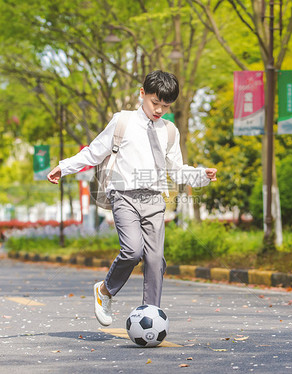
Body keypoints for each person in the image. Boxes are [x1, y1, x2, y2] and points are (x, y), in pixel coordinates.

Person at [47, 70, 217, 326]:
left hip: (154, 200)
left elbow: (175, 169)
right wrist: (64, 167)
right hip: (123, 195)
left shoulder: (169, 131)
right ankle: (105, 290)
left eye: (166, 105)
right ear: (142, 94)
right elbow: (93, 153)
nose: (159, 110)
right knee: (132, 251)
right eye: (155, 103)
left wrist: (201, 175)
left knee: (155, 259)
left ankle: (151, 314)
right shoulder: (122, 121)